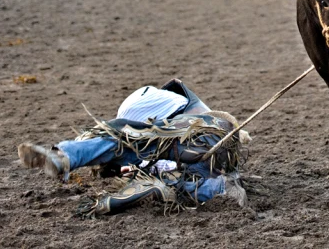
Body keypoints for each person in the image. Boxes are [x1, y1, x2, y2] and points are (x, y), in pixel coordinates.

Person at [17, 79, 248, 215]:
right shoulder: (198, 114)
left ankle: (65, 156)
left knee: (124, 144)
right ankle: (169, 187)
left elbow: (137, 141)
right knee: (192, 181)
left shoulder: (164, 120)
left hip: (194, 146)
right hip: (217, 173)